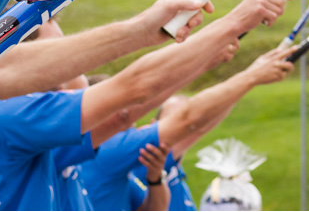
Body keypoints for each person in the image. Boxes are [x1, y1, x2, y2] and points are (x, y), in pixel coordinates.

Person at [0, 0, 293, 211]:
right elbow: (136, 91)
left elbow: (122, 114)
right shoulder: (11, 118)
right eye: (60, 56)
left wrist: (207, 53)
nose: (75, 64)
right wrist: (234, 23)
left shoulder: (29, 132)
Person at [85, 49, 294, 211]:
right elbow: (193, 122)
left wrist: (156, 179)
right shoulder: (111, 152)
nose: (129, 121)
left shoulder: (127, 168)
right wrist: (250, 77)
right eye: (121, 112)